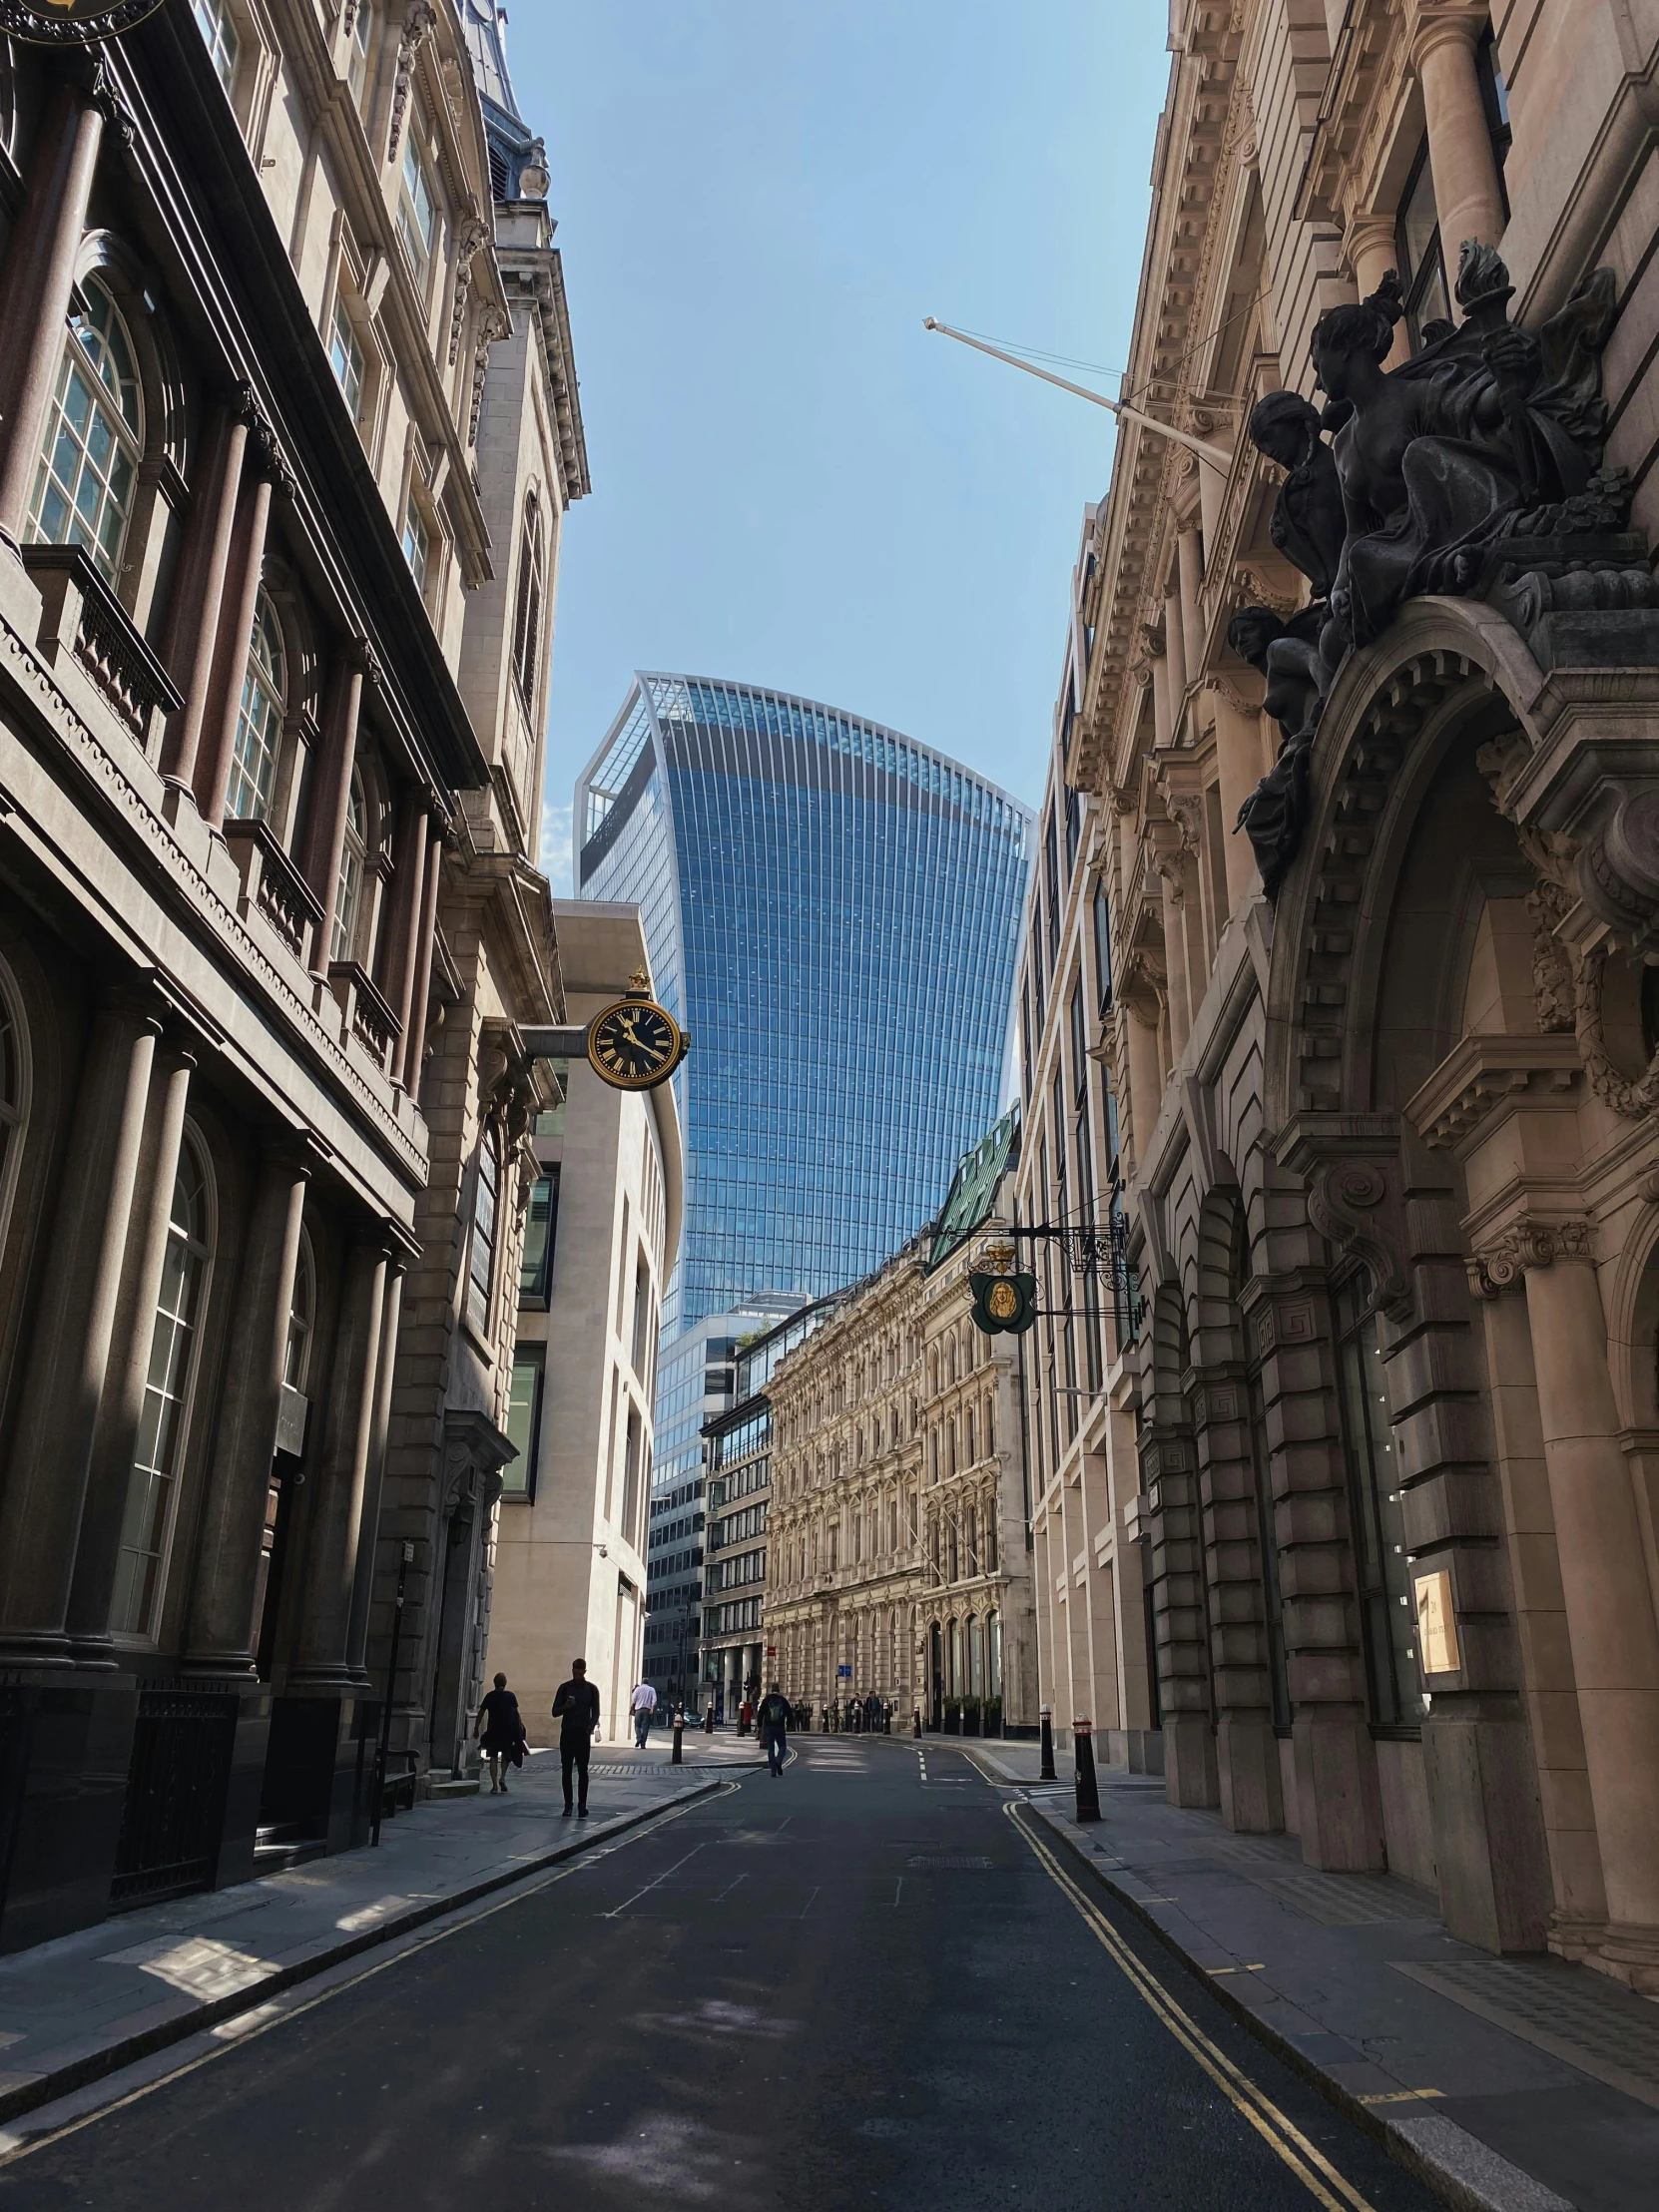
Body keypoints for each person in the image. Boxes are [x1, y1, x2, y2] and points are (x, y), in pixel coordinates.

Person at [551, 1658, 601, 1818]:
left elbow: (596, 1712)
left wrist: (590, 1727)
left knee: (583, 1771)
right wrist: (565, 1707)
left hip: (582, 1734)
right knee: (566, 1770)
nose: (577, 1676)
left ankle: (582, 1805)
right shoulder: (565, 1688)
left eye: (579, 1673)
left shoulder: (591, 1689)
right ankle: (568, 1805)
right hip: (567, 1733)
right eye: (574, 1673)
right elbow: (554, 1711)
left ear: (584, 1672)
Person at [473, 1672, 522, 1795]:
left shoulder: (490, 1696)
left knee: (493, 1757)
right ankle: (503, 1778)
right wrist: (519, 1728)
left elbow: (481, 1712)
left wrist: (476, 1727)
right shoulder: (511, 1696)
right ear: (505, 1684)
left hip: (493, 1730)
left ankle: (494, 1785)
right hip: (507, 1731)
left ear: (494, 1683)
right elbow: (516, 1714)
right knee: (506, 1756)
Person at [756, 1681, 790, 1777]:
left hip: (769, 1727)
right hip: (780, 1727)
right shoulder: (782, 1700)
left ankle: (773, 1770)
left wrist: (759, 1726)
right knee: (782, 1746)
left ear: (771, 1690)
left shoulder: (767, 1699)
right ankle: (778, 1761)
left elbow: (760, 1713)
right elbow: (789, 1713)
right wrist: (790, 1724)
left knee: (771, 1749)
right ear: (778, 1689)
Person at [629, 1678, 658, 1750]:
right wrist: (652, 1708)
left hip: (638, 1710)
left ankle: (639, 1738)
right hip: (647, 1710)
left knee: (637, 1725)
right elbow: (654, 1699)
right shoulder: (651, 1689)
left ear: (642, 1682)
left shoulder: (638, 1689)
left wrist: (635, 1703)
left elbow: (633, 1698)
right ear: (648, 1683)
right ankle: (643, 1744)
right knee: (645, 1728)